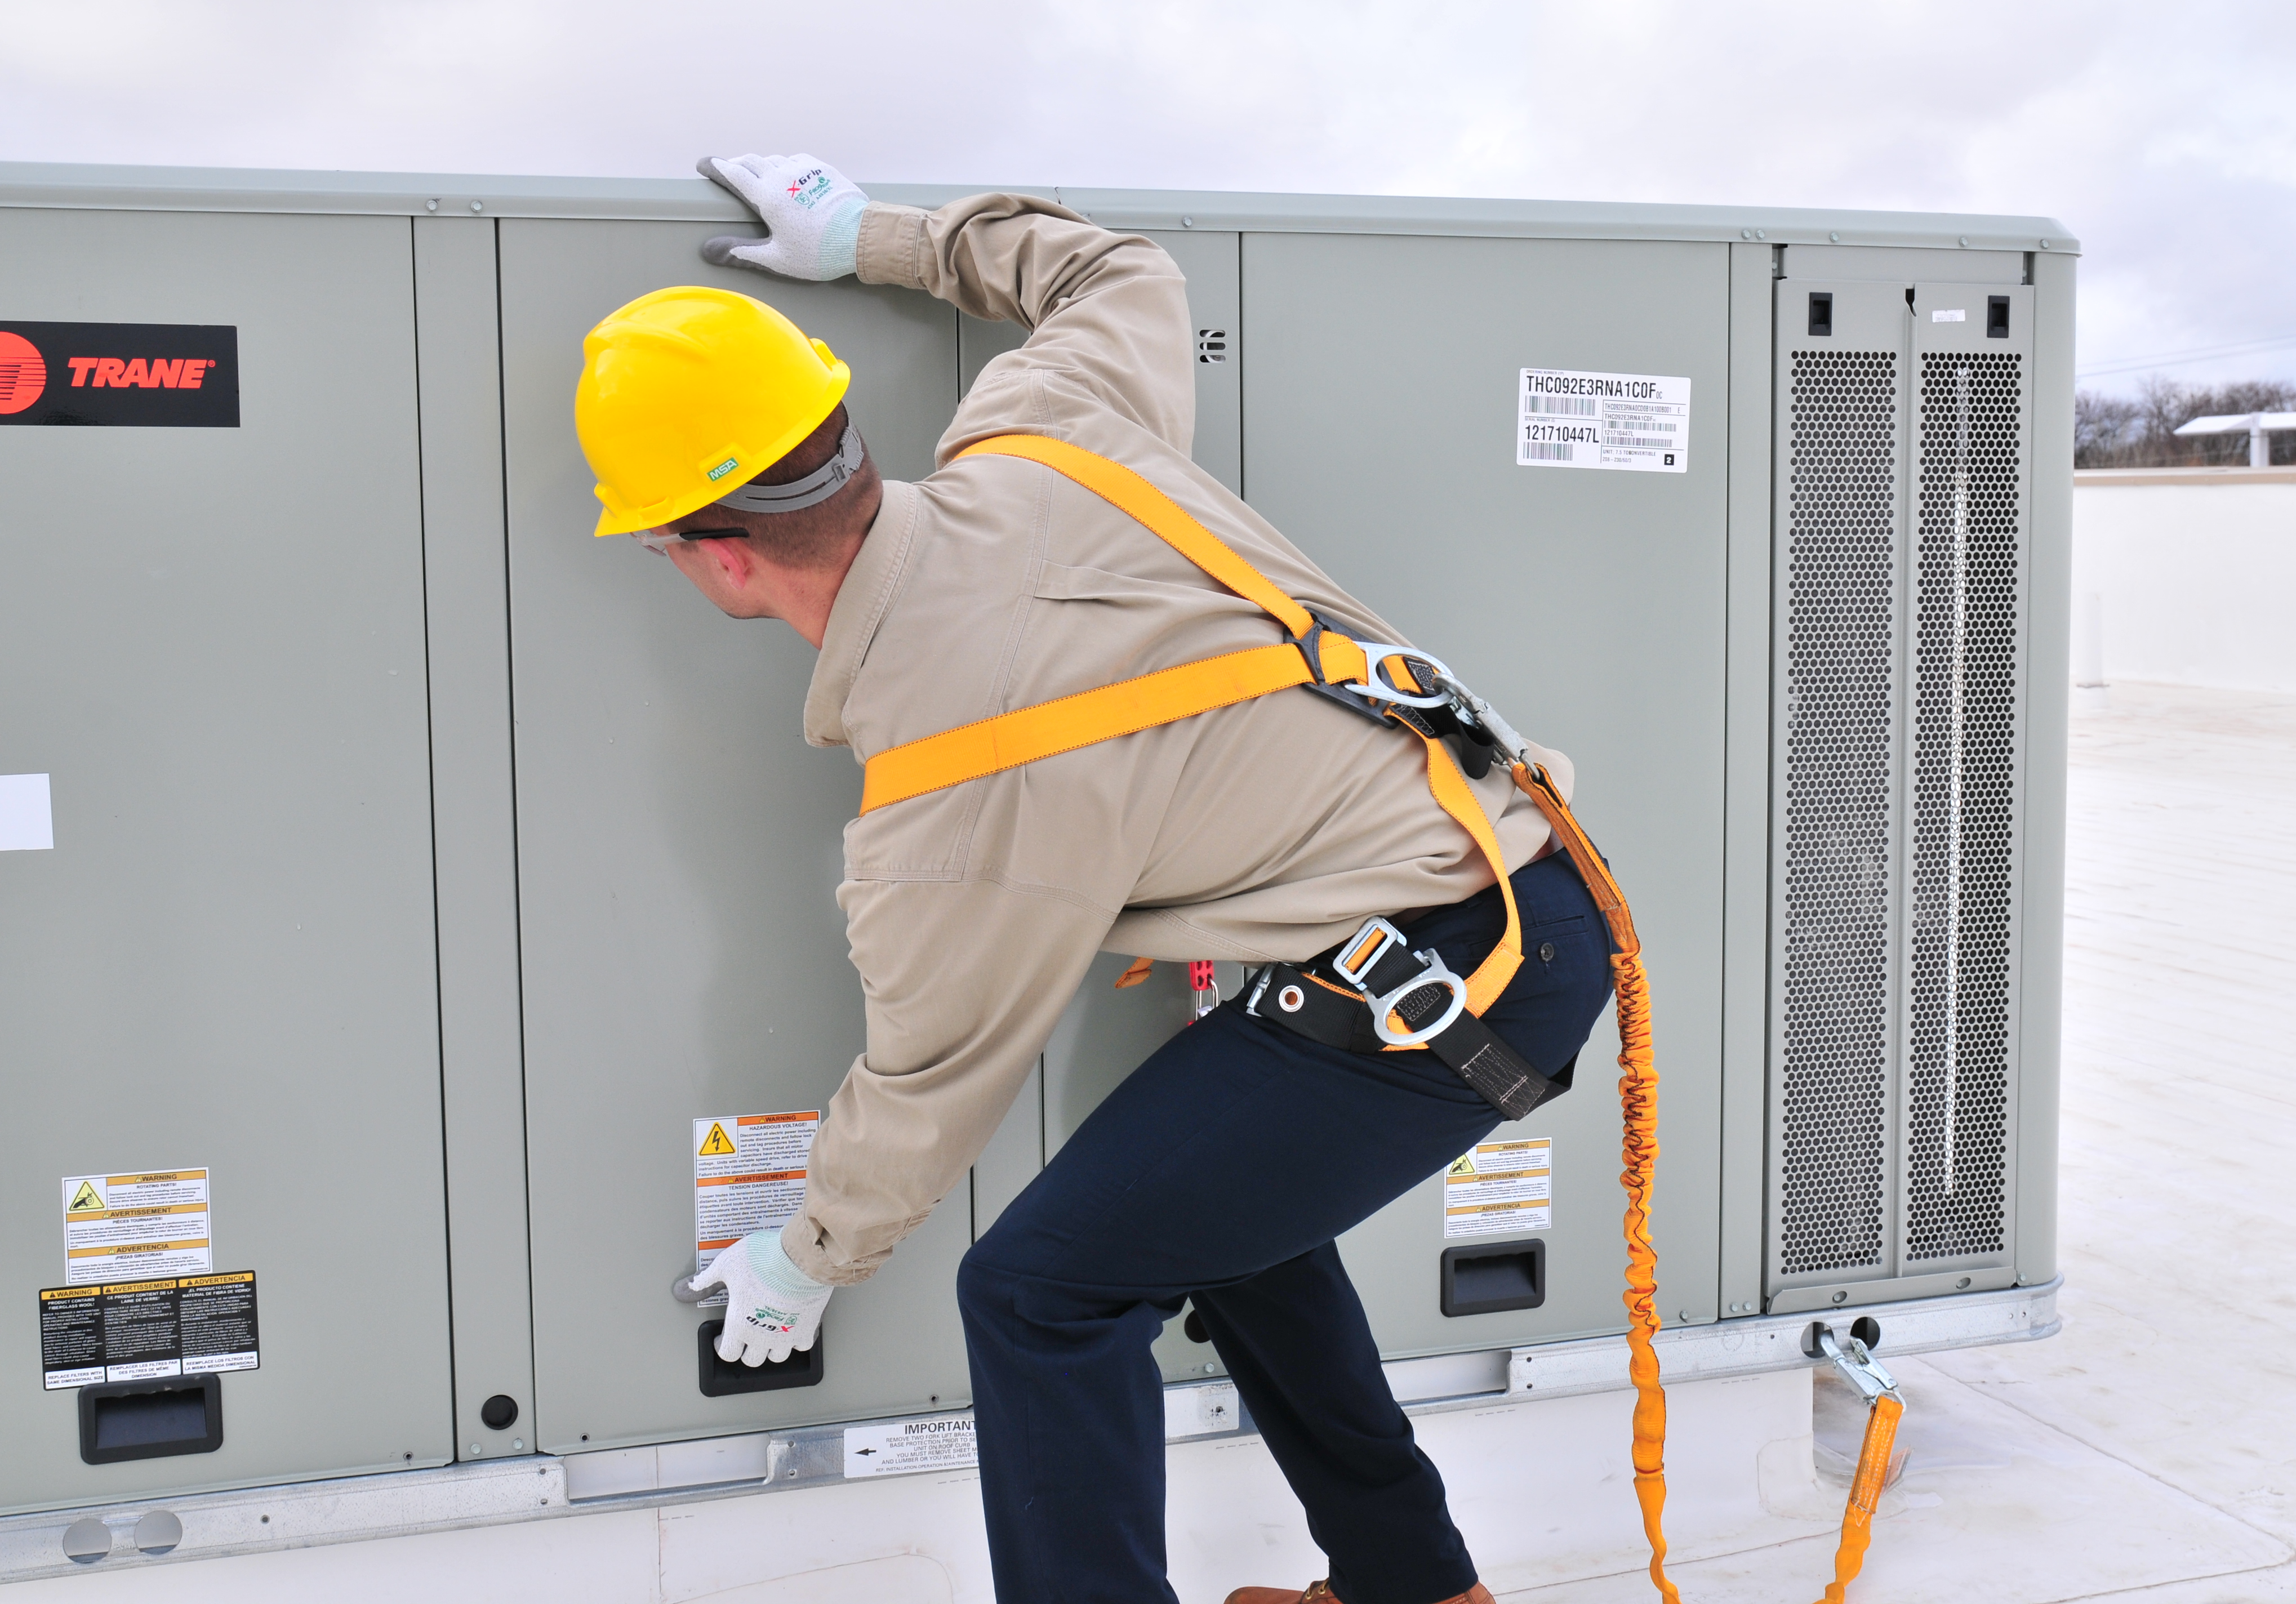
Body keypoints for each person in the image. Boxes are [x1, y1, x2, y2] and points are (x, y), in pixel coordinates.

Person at [573, 152, 1623, 1604]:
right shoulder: (1042, 429)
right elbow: (1118, 273)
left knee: (1039, 1293)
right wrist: (872, 236)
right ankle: (1413, 1584)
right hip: (1495, 899)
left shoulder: (946, 792)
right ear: (841, 435)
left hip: (1458, 980)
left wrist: (811, 1256)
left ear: (715, 563)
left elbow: (931, 1077)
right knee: (1219, 1228)